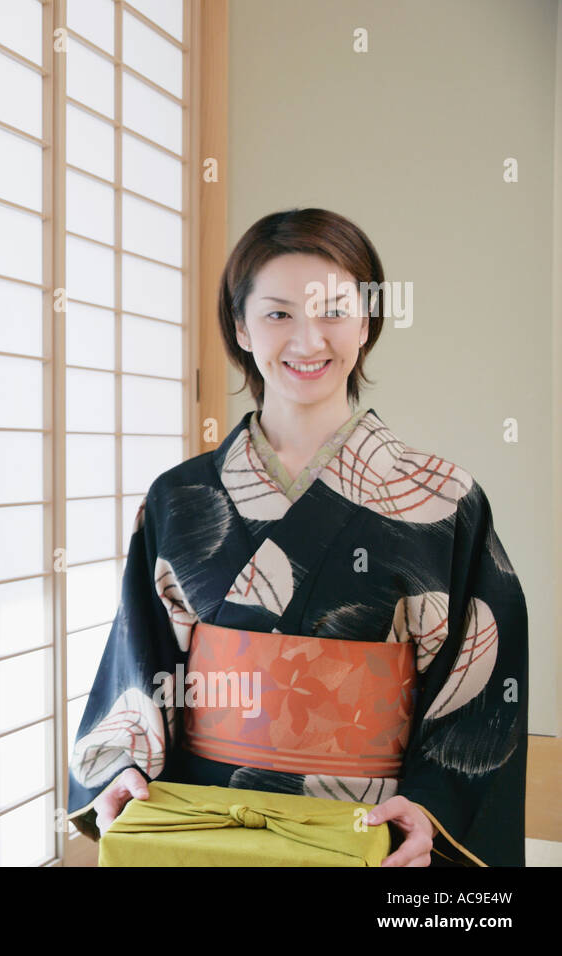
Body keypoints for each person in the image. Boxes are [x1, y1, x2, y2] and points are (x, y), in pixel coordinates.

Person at [65, 208, 528, 866]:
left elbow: (478, 679)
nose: (309, 340)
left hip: (367, 824)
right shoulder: (181, 497)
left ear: (366, 322)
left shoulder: (444, 498)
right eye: (279, 313)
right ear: (240, 326)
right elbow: (139, 663)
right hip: (206, 820)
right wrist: (122, 768)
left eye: (334, 311)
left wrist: (431, 809)